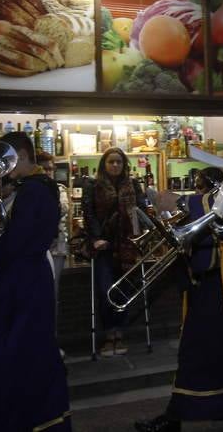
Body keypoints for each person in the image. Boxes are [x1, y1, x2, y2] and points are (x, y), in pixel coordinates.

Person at [0, 132, 70, 431]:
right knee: (19, 354)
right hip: (24, 278)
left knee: (16, 355)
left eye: (6, 161)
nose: (3, 169)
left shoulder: (34, 190)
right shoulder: (30, 188)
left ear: (21, 155)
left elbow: (17, 243)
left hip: (23, 281)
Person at [134, 166, 223, 432]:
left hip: (212, 295)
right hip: (199, 294)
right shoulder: (203, 211)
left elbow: (208, 259)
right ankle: (178, 414)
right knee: (196, 357)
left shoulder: (219, 211)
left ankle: (178, 415)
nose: (197, 191)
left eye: (201, 187)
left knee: (198, 358)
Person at [82, 147, 148, 357]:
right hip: (104, 244)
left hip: (127, 245)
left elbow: (141, 209)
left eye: (119, 162)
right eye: (111, 162)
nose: (115, 165)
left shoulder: (133, 184)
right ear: (104, 164)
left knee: (124, 291)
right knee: (105, 290)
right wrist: (95, 238)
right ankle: (109, 334)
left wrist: (140, 234)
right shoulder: (93, 185)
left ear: (124, 164)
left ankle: (120, 333)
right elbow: (88, 212)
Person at [38, 151, 70, 353]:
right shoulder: (27, 190)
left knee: (52, 296)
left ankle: (51, 342)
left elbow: (61, 210)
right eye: (44, 168)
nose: (49, 172)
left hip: (55, 250)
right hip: (35, 251)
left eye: (51, 168)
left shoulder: (59, 190)